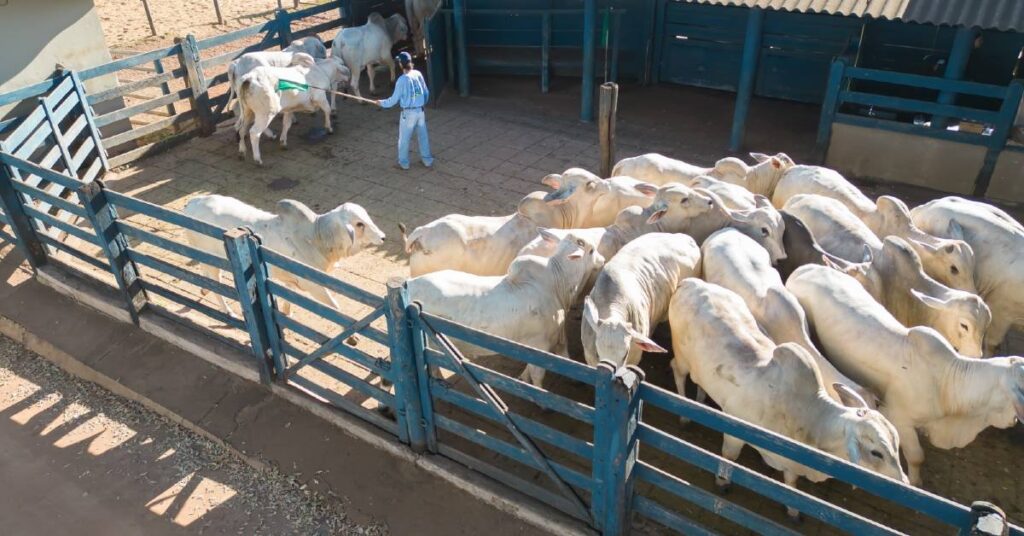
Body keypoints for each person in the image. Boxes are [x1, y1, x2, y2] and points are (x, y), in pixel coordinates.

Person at [377, 51, 433, 170]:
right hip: (420, 111)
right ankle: (427, 160)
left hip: (408, 114)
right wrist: (422, 103)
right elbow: (425, 92)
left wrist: (381, 103)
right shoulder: (418, 74)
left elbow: (393, 100)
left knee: (404, 139)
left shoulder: (402, 80)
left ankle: (404, 163)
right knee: (423, 137)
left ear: (400, 65)